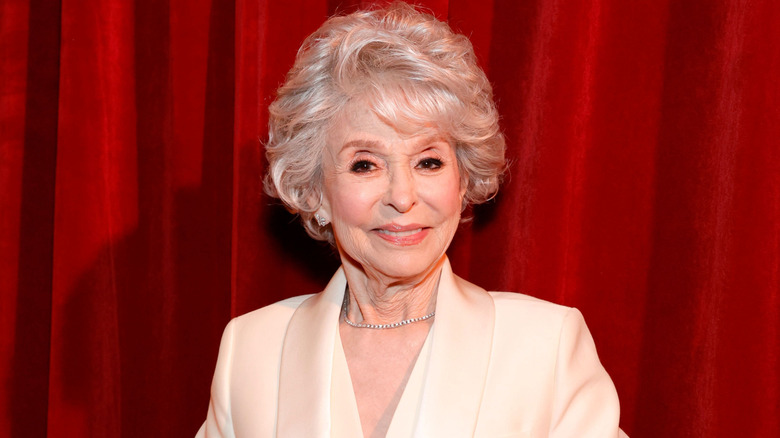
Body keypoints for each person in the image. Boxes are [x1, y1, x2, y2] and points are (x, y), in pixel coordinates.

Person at [197, 2, 627, 437]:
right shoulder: (251, 351)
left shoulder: (545, 347)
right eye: (365, 165)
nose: (402, 197)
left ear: (462, 183)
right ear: (314, 192)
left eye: (428, 162)